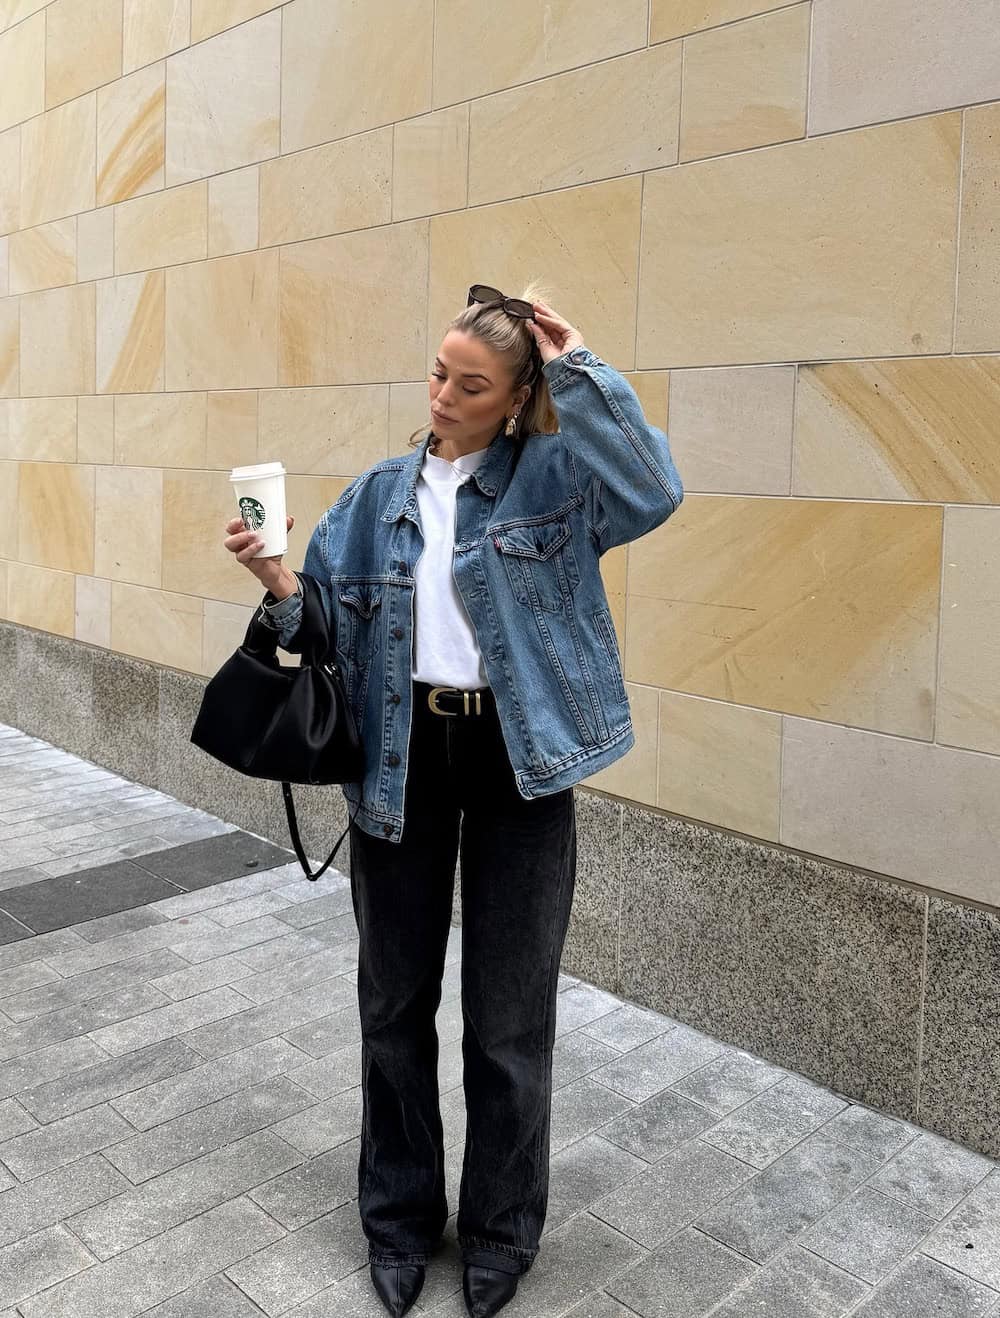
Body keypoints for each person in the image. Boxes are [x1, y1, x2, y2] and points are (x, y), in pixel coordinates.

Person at [223, 284, 684, 1317]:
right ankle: (397, 1220)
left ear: (517, 399)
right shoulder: (375, 498)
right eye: (438, 373)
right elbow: (323, 630)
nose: (442, 396)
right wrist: (277, 580)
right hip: (401, 759)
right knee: (393, 1006)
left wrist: (579, 366)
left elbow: (655, 491)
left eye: (472, 386)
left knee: (508, 1021)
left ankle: (500, 1231)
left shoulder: (558, 478)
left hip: (520, 761)